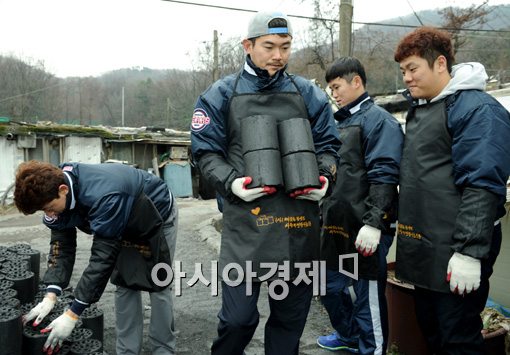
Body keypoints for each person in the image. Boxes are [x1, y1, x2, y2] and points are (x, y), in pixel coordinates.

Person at [191, 11, 340, 355]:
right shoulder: (221, 94)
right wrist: (231, 183)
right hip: (247, 228)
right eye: (269, 46)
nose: (278, 55)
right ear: (248, 45)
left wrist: (325, 176)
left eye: (285, 47)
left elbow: (330, 146)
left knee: (289, 323)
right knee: (239, 320)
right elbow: (205, 151)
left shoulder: (308, 94)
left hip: (298, 227)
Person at [393, 27, 510, 354]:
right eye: (403, 71)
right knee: (431, 329)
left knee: (457, 336)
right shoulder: (422, 109)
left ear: (440, 63)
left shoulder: (477, 109)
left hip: (459, 245)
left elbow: (483, 182)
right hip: (426, 246)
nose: (407, 78)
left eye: (413, 68)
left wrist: (470, 251)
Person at [14, 160, 178, 355]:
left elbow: (102, 258)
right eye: (44, 210)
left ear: (63, 189)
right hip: (118, 221)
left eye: (50, 207)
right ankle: (127, 351)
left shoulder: (106, 195)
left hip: (154, 215)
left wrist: (72, 314)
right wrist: (51, 293)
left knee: (158, 283)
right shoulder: (54, 186)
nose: (49, 213)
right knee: (125, 284)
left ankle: (163, 349)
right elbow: (62, 245)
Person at [318, 57, 403, 354]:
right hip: (336, 225)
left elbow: (385, 175)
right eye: (330, 88)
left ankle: (372, 348)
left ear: (357, 82)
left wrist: (374, 222)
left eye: (337, 86)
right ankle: (350, 335)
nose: (334, 94)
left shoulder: (379, 121)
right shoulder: (338, 123)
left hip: (366, 227)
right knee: (326, 285)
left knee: (368, 298)